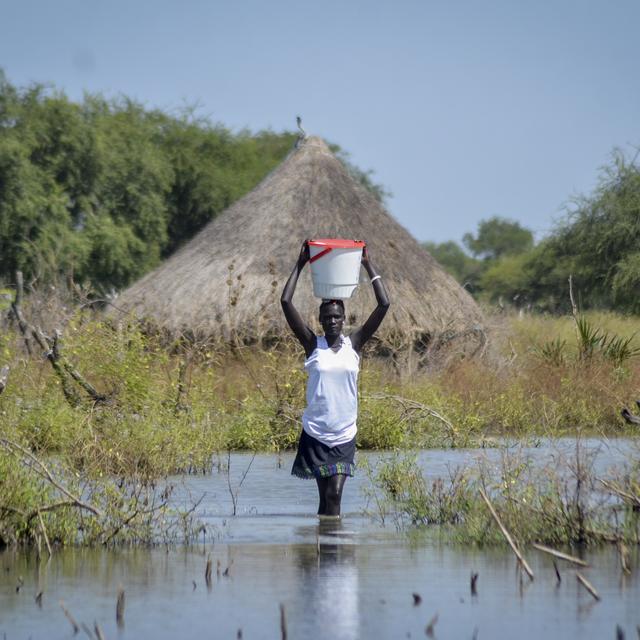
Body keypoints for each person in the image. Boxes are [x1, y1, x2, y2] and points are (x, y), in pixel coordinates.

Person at [281, 240, 390, 517]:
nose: (331, 321)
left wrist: (367, 264)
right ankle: (325, 549)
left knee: (335, 493)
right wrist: (300, 263)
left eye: (336, 317)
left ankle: (335, 554)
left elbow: (384, 303)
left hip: (344, 433)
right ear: (320, 319)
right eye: (327, 317)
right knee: (324, 499)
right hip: (317, 432)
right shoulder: (312, 345)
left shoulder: (354, 345)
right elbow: (285, 301)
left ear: (344, 319)